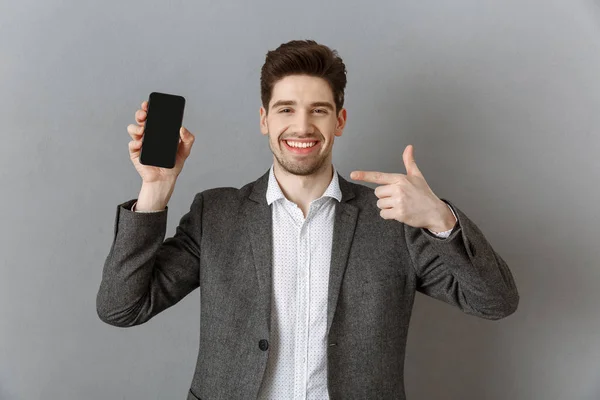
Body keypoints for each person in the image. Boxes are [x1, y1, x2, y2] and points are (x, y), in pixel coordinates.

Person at [96, 39, 519, 400]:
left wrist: (440, 219)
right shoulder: (216, 215)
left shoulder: (393, 218)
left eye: (318, 110)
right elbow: (122, 308)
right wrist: (155, 189)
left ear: (340, 121)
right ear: (264, 120)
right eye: (285, 109)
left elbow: (495, 302)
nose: (302, 126)